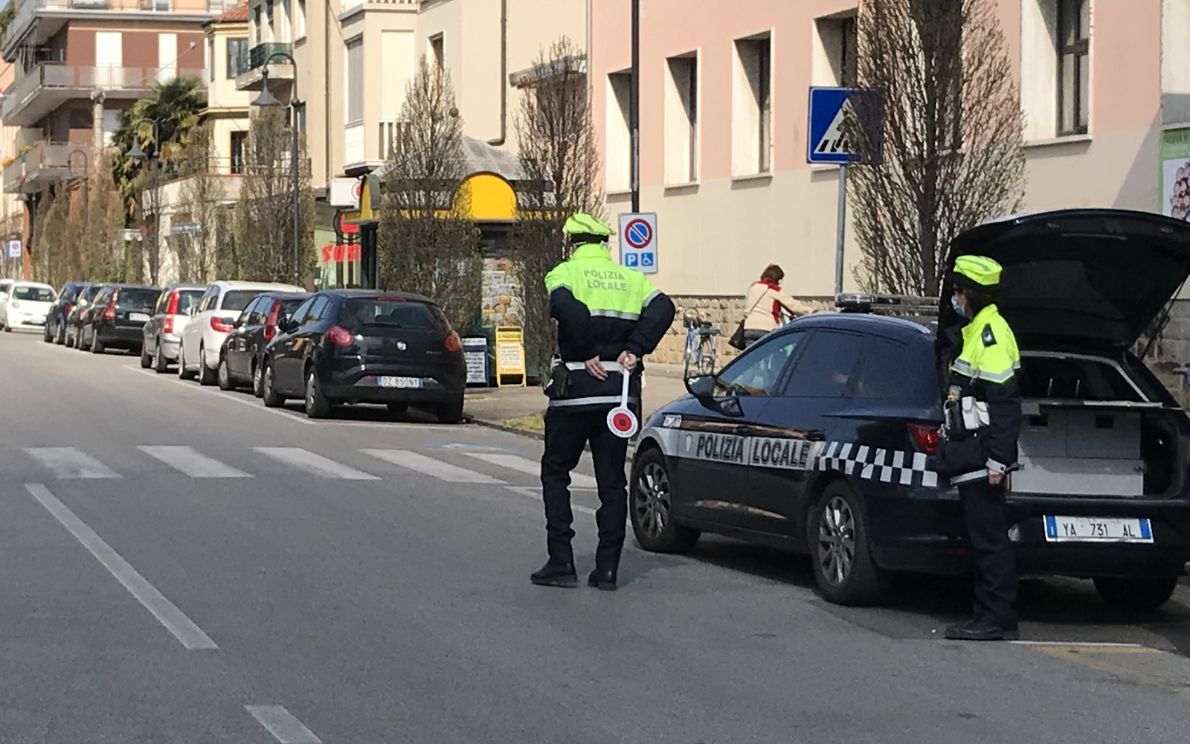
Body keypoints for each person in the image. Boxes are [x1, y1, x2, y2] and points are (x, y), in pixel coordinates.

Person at [531, 213, 675, 591]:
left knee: (556, 471)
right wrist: (634, 349)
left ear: (572, 243)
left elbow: (568, 309)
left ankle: (561, 561)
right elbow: (664, 309)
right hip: (620, 392)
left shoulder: (564, 272)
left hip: (577, 387)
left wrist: (586, 349)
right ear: (603, 245)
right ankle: (607, 568)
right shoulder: (631, 278)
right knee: (612, 483)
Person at [936, 255, 1023, 642]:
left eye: (958, 291)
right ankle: (990, 612)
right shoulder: (976, 330)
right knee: (984, 539)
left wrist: (998, 461)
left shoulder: (992, 333)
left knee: (990, 542)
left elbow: (1005, 403)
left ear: (970, 293)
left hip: (983, 455)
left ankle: (995, 616)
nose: (955, 298)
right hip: (971, 453)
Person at [742, 265, 814, 347]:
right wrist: (810, 311)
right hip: (766, 329)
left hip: (749, 327)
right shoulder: (774, 290)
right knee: (773, 355)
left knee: (752, 357)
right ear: (777, 279)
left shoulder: (753, 287)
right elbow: (793, 306)